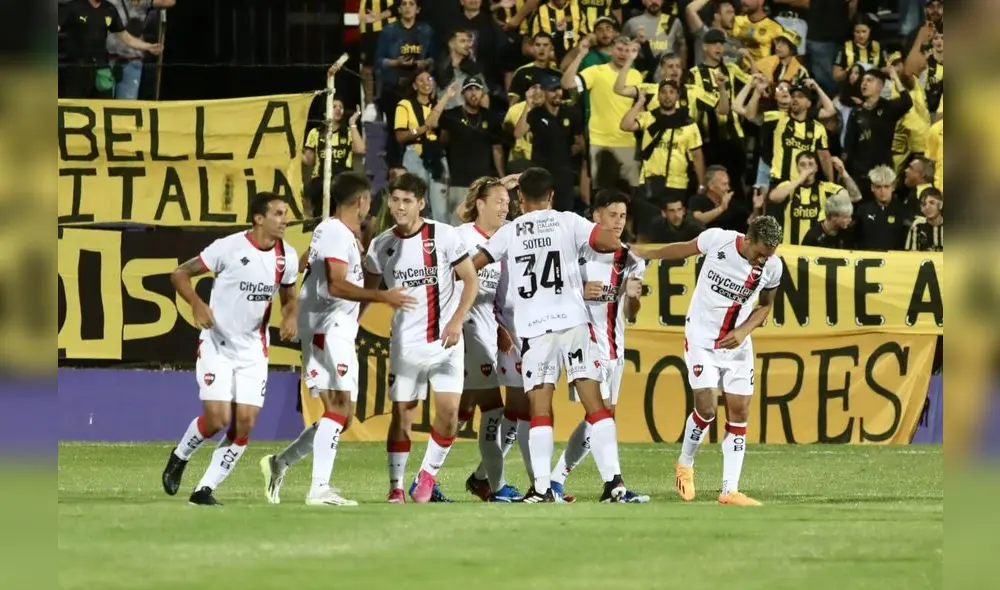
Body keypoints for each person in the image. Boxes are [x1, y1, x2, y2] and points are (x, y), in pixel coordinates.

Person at [471, 167, 629, 503]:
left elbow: (475, 264)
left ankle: (542, 488)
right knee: (595, 403)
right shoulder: (567, 221)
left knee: (539, 407)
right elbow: (608, 242)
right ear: (552, 196)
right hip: (573, 324)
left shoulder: (510, 231)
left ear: (520, 197)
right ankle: (613, 483)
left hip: (535, 331)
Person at [258, 173, 416, 506]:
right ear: (361, 201)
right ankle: (319, 488)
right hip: (326, 329)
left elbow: (305, 266)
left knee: (342, 416)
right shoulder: (334, 232)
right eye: (369, 200)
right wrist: (382, 296)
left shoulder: (335, 232)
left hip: (332, 327)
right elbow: (336, 284)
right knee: (339, 410)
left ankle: (279, 463)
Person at [632, 216, 785, 506]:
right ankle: (685, 462)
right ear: (748, 239)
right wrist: (648, 253)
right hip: (702, 339)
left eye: (769, 255)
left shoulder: (773, 266)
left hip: (737, 345)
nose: (764, 260)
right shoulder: (718, 240)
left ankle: (729, 490)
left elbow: (765, 306)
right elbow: (683, 249)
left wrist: (743, 331)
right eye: (760, 253)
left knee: (739, 411)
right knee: (706, 408)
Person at [160, 192, 300, 506]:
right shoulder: (229, 248)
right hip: (217, 345)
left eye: (286, 213)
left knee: (245, 423)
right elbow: (180, 274)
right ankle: (180, 455)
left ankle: (204, 490)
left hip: (253, 351)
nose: (285, 220)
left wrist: (290, 316)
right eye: (278, 213)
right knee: (217, 419)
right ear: (259, 218)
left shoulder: (287, 257)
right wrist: (196, 304)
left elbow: (290, 298)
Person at [365, 173, 481, 503]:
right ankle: (396, 487)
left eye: (407, 201)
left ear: (421, 203)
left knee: (449, 415)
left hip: (446, 342)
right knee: (403, 414)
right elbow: (368, 294)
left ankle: (427, 475)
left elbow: (470, 279)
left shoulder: (443, 235)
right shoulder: (380, 245)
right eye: (395, 200)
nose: (400, 207)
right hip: (406, 345)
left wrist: (456, 321)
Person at [550, 191, 649, 504]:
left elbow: (631, 314)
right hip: (583, 342)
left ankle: (555, 481)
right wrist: (578, 290)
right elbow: (550, 292)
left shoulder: (631, 259)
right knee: (601, 414)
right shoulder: (574, 251)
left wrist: (632, 296)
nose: (618, 222)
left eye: (623, 216)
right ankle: (614, 486)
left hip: (613, 347)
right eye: (612, 215)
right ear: (596, 216)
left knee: (601, 418)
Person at [453, 176, 524, 503]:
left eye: (507, 202)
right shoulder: (461, 236)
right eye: (498, 201)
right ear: (480, 204)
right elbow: (452, 282)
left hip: (502, 328)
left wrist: (499, 326)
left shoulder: (510, 232)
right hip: (470, 330)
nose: (505, 207)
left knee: (478, 408)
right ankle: (495, 485)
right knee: (492, 408)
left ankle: (479, 478)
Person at [768, 151, 860, 245]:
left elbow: (855, 196)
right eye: (802, 165)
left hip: (816, 248)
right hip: (791, 248)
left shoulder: (826, 188)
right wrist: (800, 179)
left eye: (811, 164)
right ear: (797, 168)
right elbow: (773, 197)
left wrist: (843, 173)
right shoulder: (788, 186)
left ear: (816, 168)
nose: (807, 168)